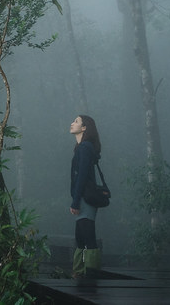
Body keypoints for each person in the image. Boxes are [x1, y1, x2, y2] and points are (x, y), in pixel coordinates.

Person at [69, 114, 102, 277]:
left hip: (84, 199)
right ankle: (79, 272)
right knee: (80, 237)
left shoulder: (85, 147)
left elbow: (82, 175)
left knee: (88, 237)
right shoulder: (82, 148)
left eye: (76, 121)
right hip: (82, 198)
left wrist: (75, 202)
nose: (72, 123)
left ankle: (91, 275)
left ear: (84, 128)